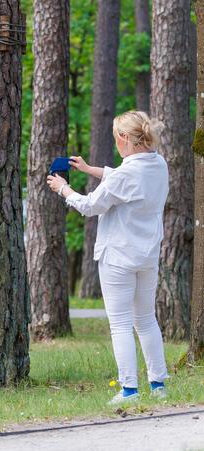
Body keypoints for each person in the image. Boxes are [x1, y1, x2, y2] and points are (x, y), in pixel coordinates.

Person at [47, 110, 170, 406]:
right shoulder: (158, 164)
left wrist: (64, 189)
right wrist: (91, 169)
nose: (116, 144)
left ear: (125, 138)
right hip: (147, 254)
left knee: (120, 323)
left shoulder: (127, 174)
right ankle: (159, 384)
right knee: (146, 319)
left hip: (118, 256)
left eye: (117, 139)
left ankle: (129, 389)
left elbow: (91, 206)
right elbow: (124, 180)